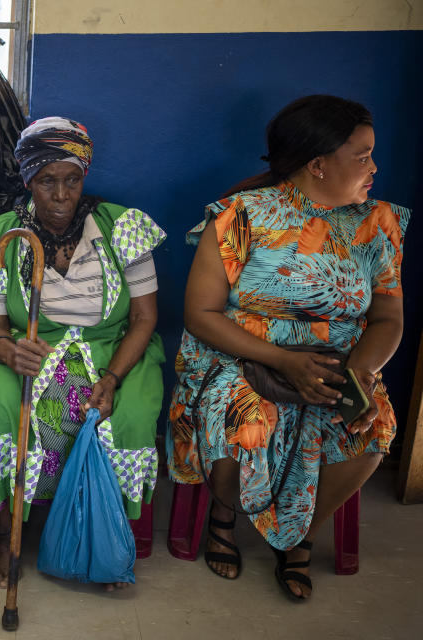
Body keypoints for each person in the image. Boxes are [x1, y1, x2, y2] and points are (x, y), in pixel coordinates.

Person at [168, 95, 408, 602]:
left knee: (372, 425)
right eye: (362, 156)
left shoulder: (376, 223)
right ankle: (225, 511)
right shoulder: (242, 216)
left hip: (339, 364)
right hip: (240, 358)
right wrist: (283, 360)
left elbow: (387, 318)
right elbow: (201, 315)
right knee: (245, 418)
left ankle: (299, 532)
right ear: (318, 165)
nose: (375, 168)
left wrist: (360, 373)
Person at [0, 117, 166, 589]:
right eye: (47, 181)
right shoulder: (4, 237)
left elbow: (145, 319)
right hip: (26, 348)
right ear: (28, 180)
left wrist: (110, 379)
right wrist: (8, 351)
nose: (60, 194)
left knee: (129, 415)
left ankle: (103, 533)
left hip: (114, 349)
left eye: (72, 179)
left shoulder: (121, 227)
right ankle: (7, 529)